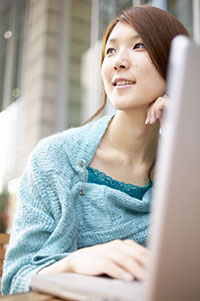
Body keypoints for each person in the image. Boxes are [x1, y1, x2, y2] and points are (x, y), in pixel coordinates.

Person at [2, 5, 189, 295]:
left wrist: (188, 129)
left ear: (173, 65)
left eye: (138, 46)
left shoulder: (185, 170)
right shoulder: (54, 158)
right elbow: (15, 279)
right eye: (111, 51)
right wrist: (75, 262)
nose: (118, 62)